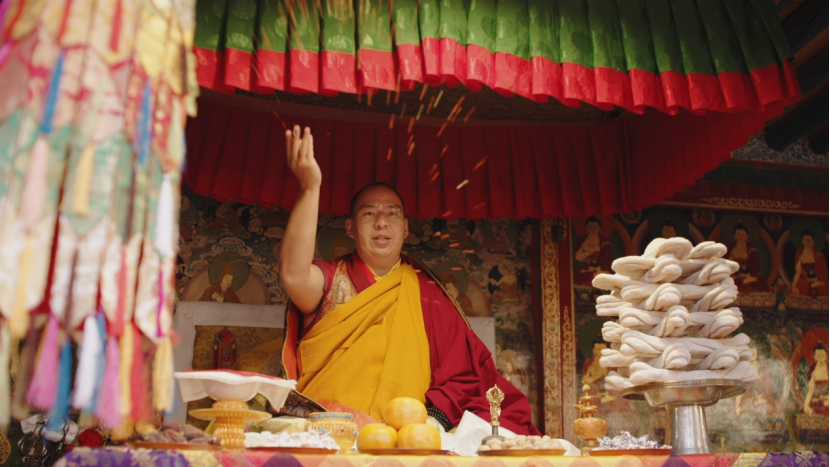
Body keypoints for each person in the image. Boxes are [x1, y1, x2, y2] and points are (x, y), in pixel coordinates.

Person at [278, 126, 538, 435]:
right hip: (329, 432)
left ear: (405, 227)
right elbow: (294, 274)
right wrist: (310, 186)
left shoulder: (427, 294)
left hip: (403, 438)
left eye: (392, 214)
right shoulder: (333, 280)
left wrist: (431, 420)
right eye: (368, 214)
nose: (381, 222)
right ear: (350, 227)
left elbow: (463, 374)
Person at [727, 223, 771, 294]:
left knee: (761, 283)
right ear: (735, 236)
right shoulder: (731, 247)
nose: (741, 237)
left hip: (749, 275)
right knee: (731, 282)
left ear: (747, 236)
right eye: (738, 234)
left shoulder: (751, 248)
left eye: (743, 234)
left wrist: (749, 272)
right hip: (735, 275)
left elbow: (756, 265)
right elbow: (728, 264)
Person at [573, 217, 613, 287]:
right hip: (587, 269)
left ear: (599, 229)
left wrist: (599, 267)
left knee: (610, 275)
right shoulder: (582, 240)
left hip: (602, 269)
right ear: (586, 228)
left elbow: (608, 259)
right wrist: (589, 251)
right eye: (590, 227)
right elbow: (578, 257)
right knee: (574, 275)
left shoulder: (604, 242)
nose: (593, 229)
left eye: (595, 227)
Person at [790, 231, 829, 297]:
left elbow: (825, 273)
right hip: (805, 280)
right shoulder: (799, 253)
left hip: (818, 280)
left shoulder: (819, 255)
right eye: (806, 240)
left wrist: (817, 279)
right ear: (802, 241)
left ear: (813, 241)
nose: (808, 242)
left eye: (809, 240)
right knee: (798, 288)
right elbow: (798, 271)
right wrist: (794, 285)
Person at [803, 346, 829, 417]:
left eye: (822, 355)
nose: (820, 357)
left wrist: (826, 397)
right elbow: (811, 390)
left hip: (827, 398)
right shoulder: (813, 370)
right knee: (808, 408)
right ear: (814, 356)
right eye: (818, 355)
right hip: (817, 400)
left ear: (826, 355)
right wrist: (806, 405)